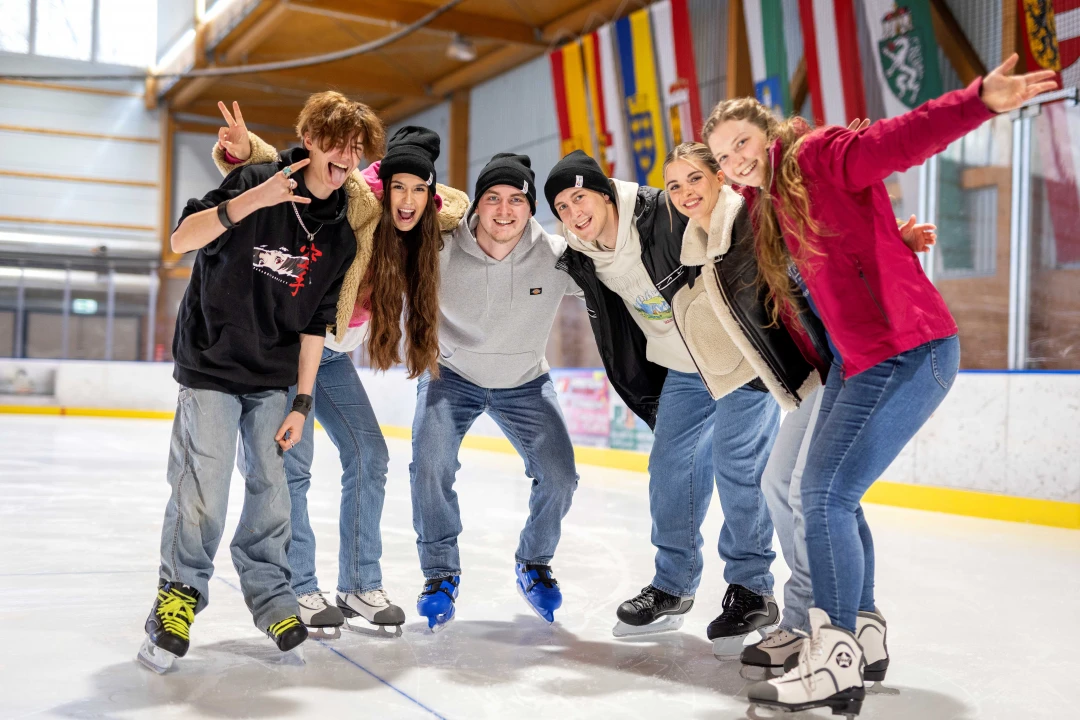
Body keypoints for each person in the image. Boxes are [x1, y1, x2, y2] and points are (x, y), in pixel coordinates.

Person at [703, 55, 1056, 715]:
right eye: (723, 156)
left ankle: (833, 656)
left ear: (767, 133)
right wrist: (889, 241)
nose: (736, 160)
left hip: (906, 350)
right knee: (835, 494)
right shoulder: (768, 208)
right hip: (859, 360)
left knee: (823, 493)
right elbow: (837, 263)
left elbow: (898, 140)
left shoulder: (819, 157)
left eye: (741, 143)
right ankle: (861, 632)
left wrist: (980, 100)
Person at [663, 140, 936, 674]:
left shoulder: (748, 216)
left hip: (848, 364)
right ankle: (858, 622)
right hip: (819, 371)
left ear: (721, 177)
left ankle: (814, 623)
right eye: (674, 185)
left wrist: (888, 240)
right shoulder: (702, 242)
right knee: (799, 489)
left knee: (812, 493)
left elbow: (816, 238)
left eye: (695, 178)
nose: (685, 192)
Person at [545, 150, 822, 656]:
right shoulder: (579, 251)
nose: (573, 211)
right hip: (681, 368)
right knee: (670, 469)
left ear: (605, 193)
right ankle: (673, 586)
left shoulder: (663, 213)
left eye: (579, 196)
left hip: (738, 357)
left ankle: (752, 588)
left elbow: (738, 218)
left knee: (738, 466)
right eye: (561, 206)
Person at [213, 105, 469, 638]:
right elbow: (302, 164)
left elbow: (461, 206)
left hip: (330, 355)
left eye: (419, 190)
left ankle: (358, 583)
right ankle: (299, 587)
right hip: (288, 347)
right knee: (295, 467)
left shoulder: (423, 215)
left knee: (369, 454)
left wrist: (427, 186)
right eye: (397, 187)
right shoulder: (359, 198)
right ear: (381, 183)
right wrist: (244, 149)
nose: (407, 200)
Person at [138, 90, 371, 672]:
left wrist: (303, 400)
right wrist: (253, 198)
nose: (344, 155)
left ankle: (272, 598)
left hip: (274, 379)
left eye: (356, 147)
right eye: (335, 142)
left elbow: (317, 321)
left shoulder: (341, 233)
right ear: (311, 140)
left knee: (274, 491)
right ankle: (177, 597)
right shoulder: (255, 181)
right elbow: (181, 240)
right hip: (212, 366)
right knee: (203, 489)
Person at [411, 152, 581, 631]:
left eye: (516, 200)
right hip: (451, 376)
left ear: (530, 208)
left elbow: (612, 285)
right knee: (429, 466)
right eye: (493, 199)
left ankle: (535, 561)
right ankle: (440, 573)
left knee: (560, 475)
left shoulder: (555, 255)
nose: (504, 210)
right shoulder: (439, 249)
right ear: (477, 205)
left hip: (525, 381)